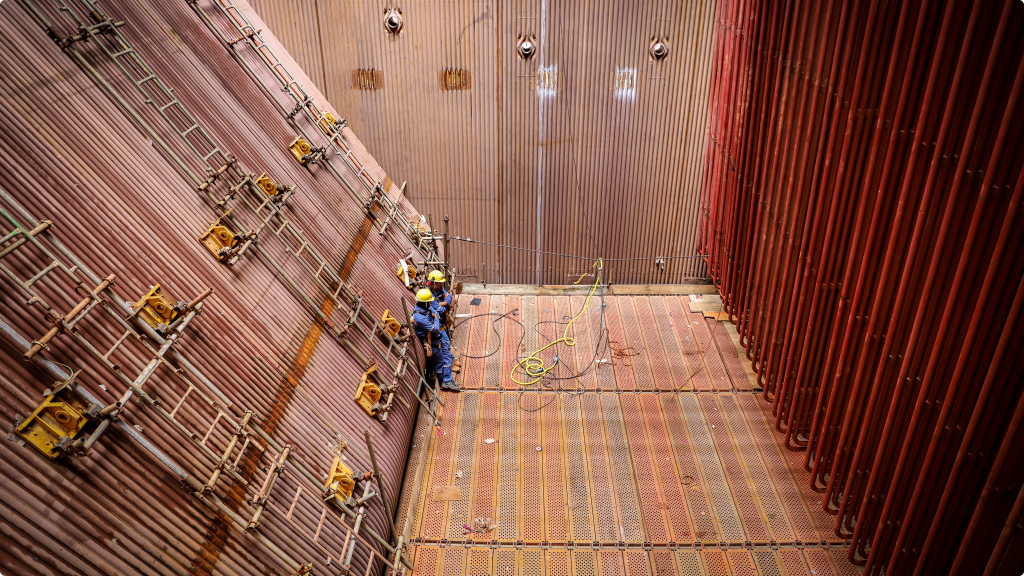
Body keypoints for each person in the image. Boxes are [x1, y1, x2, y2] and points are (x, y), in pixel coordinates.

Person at [412, 288, 459, 392]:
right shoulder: (419, 316)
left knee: (446, 356)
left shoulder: (426, 308)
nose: (430, 303)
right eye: (429, 301)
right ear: (425, 302)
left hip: (438, 338)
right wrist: (436, 319)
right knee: (439, 362)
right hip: (432, 342)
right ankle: (443, 381)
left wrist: (435, 317)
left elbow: (435, 312)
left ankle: (448, 380)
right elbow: (434, 328)